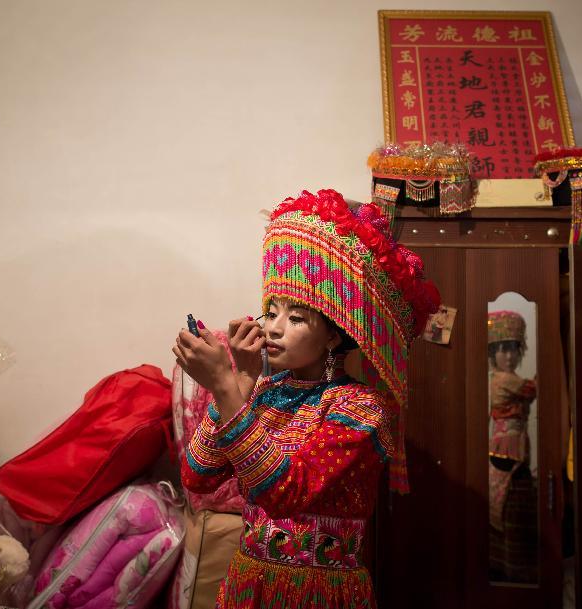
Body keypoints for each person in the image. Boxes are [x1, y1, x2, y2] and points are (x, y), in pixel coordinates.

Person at [173, 189, 439, 609]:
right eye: (272, 311)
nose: (274, 328)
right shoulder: (264, 391)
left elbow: (286, 489)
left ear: (335, 334)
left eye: (296, 317)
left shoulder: (362, 409)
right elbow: (197, 476)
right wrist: (241, 379)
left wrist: (225, 386)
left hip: (317, 594)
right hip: (248, 583)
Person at [486, 310, 538, 583]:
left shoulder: (500, 379)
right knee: (512, 513)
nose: (508, 356)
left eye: (514, 349)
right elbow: (532, 389)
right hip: (507, 454)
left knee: (509, 516)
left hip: (512, 451)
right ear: (493, 352)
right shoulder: (503, 380)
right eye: (502, 349)